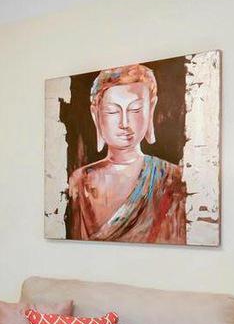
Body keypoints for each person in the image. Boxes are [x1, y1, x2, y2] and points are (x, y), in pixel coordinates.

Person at [67, 64, 187, 243]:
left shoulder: (173, 179)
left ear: (151, 109)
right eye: (113, 111)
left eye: (135, 109)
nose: (124, 122)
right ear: (96, 114)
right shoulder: (80, 182)